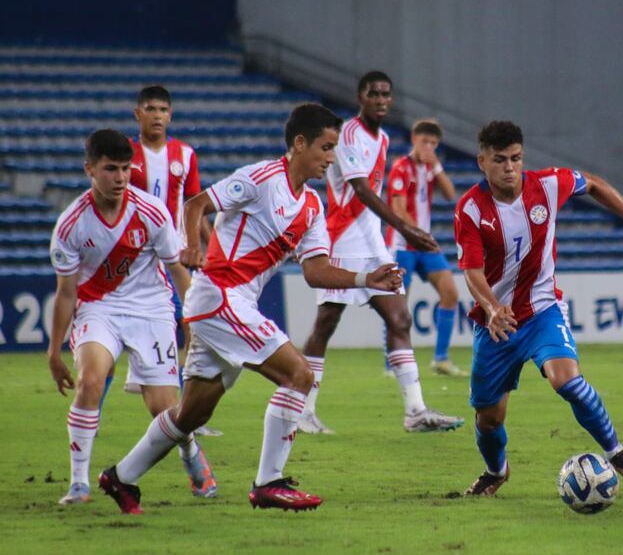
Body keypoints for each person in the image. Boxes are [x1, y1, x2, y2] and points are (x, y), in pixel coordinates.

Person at [97, 103, 404, 515]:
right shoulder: (262, 178)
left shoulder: (312, 206)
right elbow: (196, 204)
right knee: (299, 374)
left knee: (191, 413)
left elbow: (315, 272)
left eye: (334, 149)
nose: (331, 158)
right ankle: (268, 483)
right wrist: (193, 244)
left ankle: (121, 477)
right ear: (299, 143)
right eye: (326, 147)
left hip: (227, 305)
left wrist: (368, 279)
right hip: (219, 296)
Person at [454, 120, 623, 496]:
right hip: (496, 325)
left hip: (543, 311)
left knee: (566, 380)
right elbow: (471, 271)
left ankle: (617, 454)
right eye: (500, 160)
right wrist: (492, 306)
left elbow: (594, 183)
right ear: (482, 161)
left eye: (516, 158)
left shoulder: (547, 185)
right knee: (488, 417)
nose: (510, 167)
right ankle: (496, 471)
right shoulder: (470, 209)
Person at [47, 129, 217, 506]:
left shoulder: (151, 211)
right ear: (90, 169)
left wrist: (196, 325)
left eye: (126, 169)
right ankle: (79, 483)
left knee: (165, 410)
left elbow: (179, 274)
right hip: (99, 308)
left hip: (152, 310)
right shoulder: (71, 224)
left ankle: (190, 453)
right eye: (111, 169)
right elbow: (66, 292)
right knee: (90, 382)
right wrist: (53, 351)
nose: (121, 178)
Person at [298, 71, 464, 435]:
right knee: (326, 322)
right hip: (343, 237)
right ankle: (302, 409)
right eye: (374, 93)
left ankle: (416, 411)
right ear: (361, 96)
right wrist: (405, 229)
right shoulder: (349, 134)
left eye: (386, 94)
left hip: (373, 241)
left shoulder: (385, 138)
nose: (381, 99)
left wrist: (391, 235)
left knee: (399, 318)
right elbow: (360, 190)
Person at [123, 84, 220, 437]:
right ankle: (94, 408)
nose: (158, 116)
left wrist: (212, 248)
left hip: (177, 252)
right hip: (134, 255)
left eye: (163, 110)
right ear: (138, 114)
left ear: (171, 115)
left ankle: (186, 412)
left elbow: (196, 205)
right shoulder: (125, 155)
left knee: (194, 323)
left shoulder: (185, 154)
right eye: (151, 109)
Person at [384, 118, 464, 377]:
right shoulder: (401, 168)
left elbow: (451, 195)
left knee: (450, 292)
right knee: (398, 304)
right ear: (414, 140)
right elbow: (398, 209)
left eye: (433, 143)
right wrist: (419, 234)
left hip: (424, 244)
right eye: (424, 141)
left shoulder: (429, 169)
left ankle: (440, 359)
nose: (428, 147)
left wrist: (437, 166)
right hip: (402, 244)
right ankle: (392, 362)